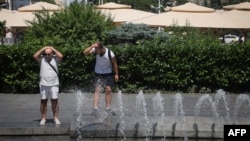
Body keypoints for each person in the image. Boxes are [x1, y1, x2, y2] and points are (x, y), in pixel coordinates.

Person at [83, 42, 119, 115]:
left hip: (107, 72)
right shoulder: (95, 50)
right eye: (95, 50)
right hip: (98, 72)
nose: (96, 51)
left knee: (108, 89)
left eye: (97, 50)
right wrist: (92, 46)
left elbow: (114, 64)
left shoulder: (110, 53)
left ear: (101, 48)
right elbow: (85, 53)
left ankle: (108, 108)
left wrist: (116, 74)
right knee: (97, 89)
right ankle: (95, 108)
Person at [33, 46, 63, 125]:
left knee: (55, 101)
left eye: (49, 54)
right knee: (43, 101)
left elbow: (61, 56)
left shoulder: (55, 59)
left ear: (52, 54)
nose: (47, 56)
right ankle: (43, 118)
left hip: (54, 84)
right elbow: (35, 56)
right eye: (45, 54)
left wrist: (53, 49)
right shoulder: (42, 59)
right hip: (43, 83)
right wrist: (43, 49)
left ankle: (56, 117)